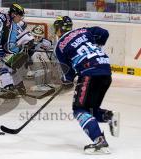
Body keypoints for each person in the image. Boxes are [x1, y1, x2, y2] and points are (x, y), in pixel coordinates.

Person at [54, 16, 120, 154]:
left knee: (79, 110)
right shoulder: (84, 31)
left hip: (90, 74)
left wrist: (67, 80)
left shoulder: (60, 46)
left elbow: (69, 74)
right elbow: (104, 33)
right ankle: (109, 116)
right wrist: (97, 46)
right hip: (106, 71)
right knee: (91, 110)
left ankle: (99, 141)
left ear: (59, 29)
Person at [27, 25, 53, 92]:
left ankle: (46, 84)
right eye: (35, 36)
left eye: (39, 37)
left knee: (48, 66)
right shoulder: (26, 40)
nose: (37, 38)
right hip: (29, 62)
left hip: (40, 59)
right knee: (39, 66)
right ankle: (39, 85)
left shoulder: (46, 42)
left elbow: (51, 50)